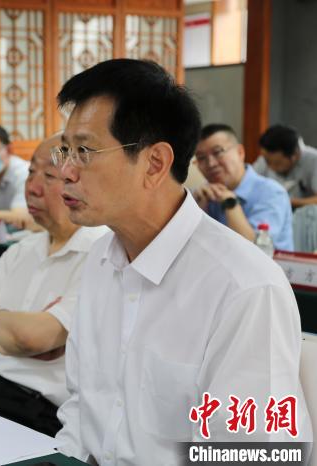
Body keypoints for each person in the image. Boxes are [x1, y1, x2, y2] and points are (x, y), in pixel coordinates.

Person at [54, 59, 310, 465]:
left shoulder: (243, 287)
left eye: (84, 151)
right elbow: (81, 407)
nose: (65, 171)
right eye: (65, 150)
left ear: (155, 164)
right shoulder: (100, 258)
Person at [0, 134, 108, 436]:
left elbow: (33, 337)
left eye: (49, 176)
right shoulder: (22, 249)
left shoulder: (101, 254)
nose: (32, 187)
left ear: (77, 182)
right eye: (30, 172)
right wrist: (14, 346)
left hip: (31, 409)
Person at [194, 123, 294, 251]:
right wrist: (198, 209)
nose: (211, 163)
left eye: (218, 152)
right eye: (201, 158)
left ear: (240, 152)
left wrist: (230, 203)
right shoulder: (201, 194)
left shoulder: (271, 193)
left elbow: (254, 252)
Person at [254, 124, 317, 208]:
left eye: (277, 163)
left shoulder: (313, 160)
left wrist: (287, 201)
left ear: (294, 156)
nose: (270, 168)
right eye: (267, 161)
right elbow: (249, 184)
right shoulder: (265, 159)